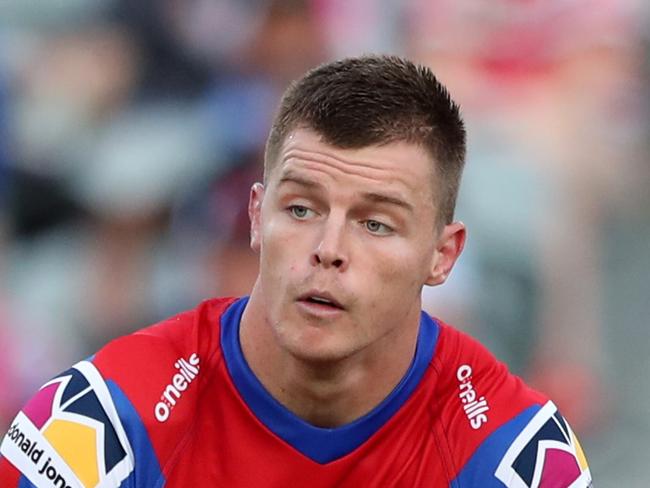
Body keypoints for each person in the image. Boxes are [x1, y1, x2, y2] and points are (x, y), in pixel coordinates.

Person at [0, 55, 592, 487]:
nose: (327, 248)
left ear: (443, 256)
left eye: (376, 224)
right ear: (257, 216)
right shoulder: (104, 424)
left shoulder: (512, 456)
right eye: (301, 209)